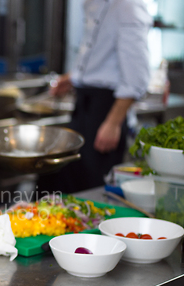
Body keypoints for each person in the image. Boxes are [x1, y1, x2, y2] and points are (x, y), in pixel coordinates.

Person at [37, 0, 152, 195]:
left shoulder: (127, 6)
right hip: (84, 105)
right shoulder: (93, 4)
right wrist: (74, 78)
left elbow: (137, 77)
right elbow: (98, 55)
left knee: (92, 189)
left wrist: (113, 122)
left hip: (106, 111)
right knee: (64, 182)